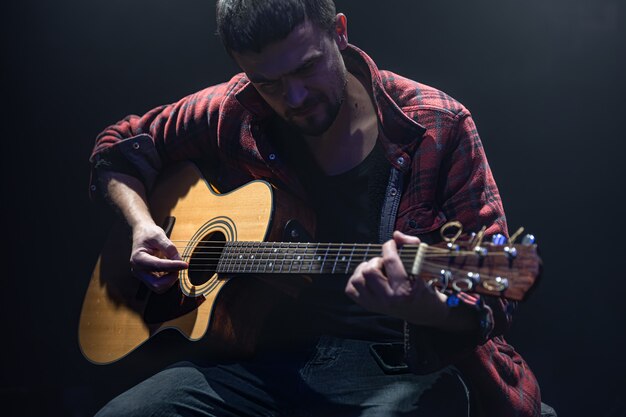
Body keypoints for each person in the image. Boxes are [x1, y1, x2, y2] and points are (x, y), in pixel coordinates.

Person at [89, 0, 542, 415]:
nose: (296, 98)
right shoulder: (233, 109)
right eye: (269, 84)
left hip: (396, 366)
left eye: (307, 68)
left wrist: (425, 309)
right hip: (258, 365)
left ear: (339, 32)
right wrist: (141, 223)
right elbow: (119, 145)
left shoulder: (435, 124)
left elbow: (495, 298)